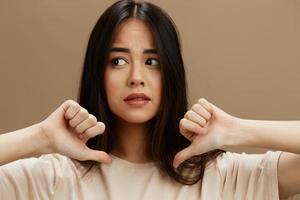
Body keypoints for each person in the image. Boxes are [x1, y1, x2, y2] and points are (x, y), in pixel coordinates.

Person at [0, 0, 299, 199]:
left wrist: (239, 131)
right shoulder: (52, 178)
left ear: (172, 72)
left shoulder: (221, 176)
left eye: (153, 61)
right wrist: (38, 137)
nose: (136, 77)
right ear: (97, 73)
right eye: (118, 61)